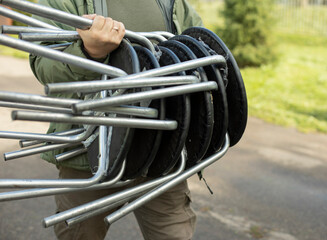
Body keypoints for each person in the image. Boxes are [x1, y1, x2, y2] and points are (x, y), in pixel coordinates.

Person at [29, 0, 203, 239]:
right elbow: (43, 65)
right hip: (90, 155)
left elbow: (198, 52)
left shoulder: (172, 2)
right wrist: (88, 53)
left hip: (162, 156)